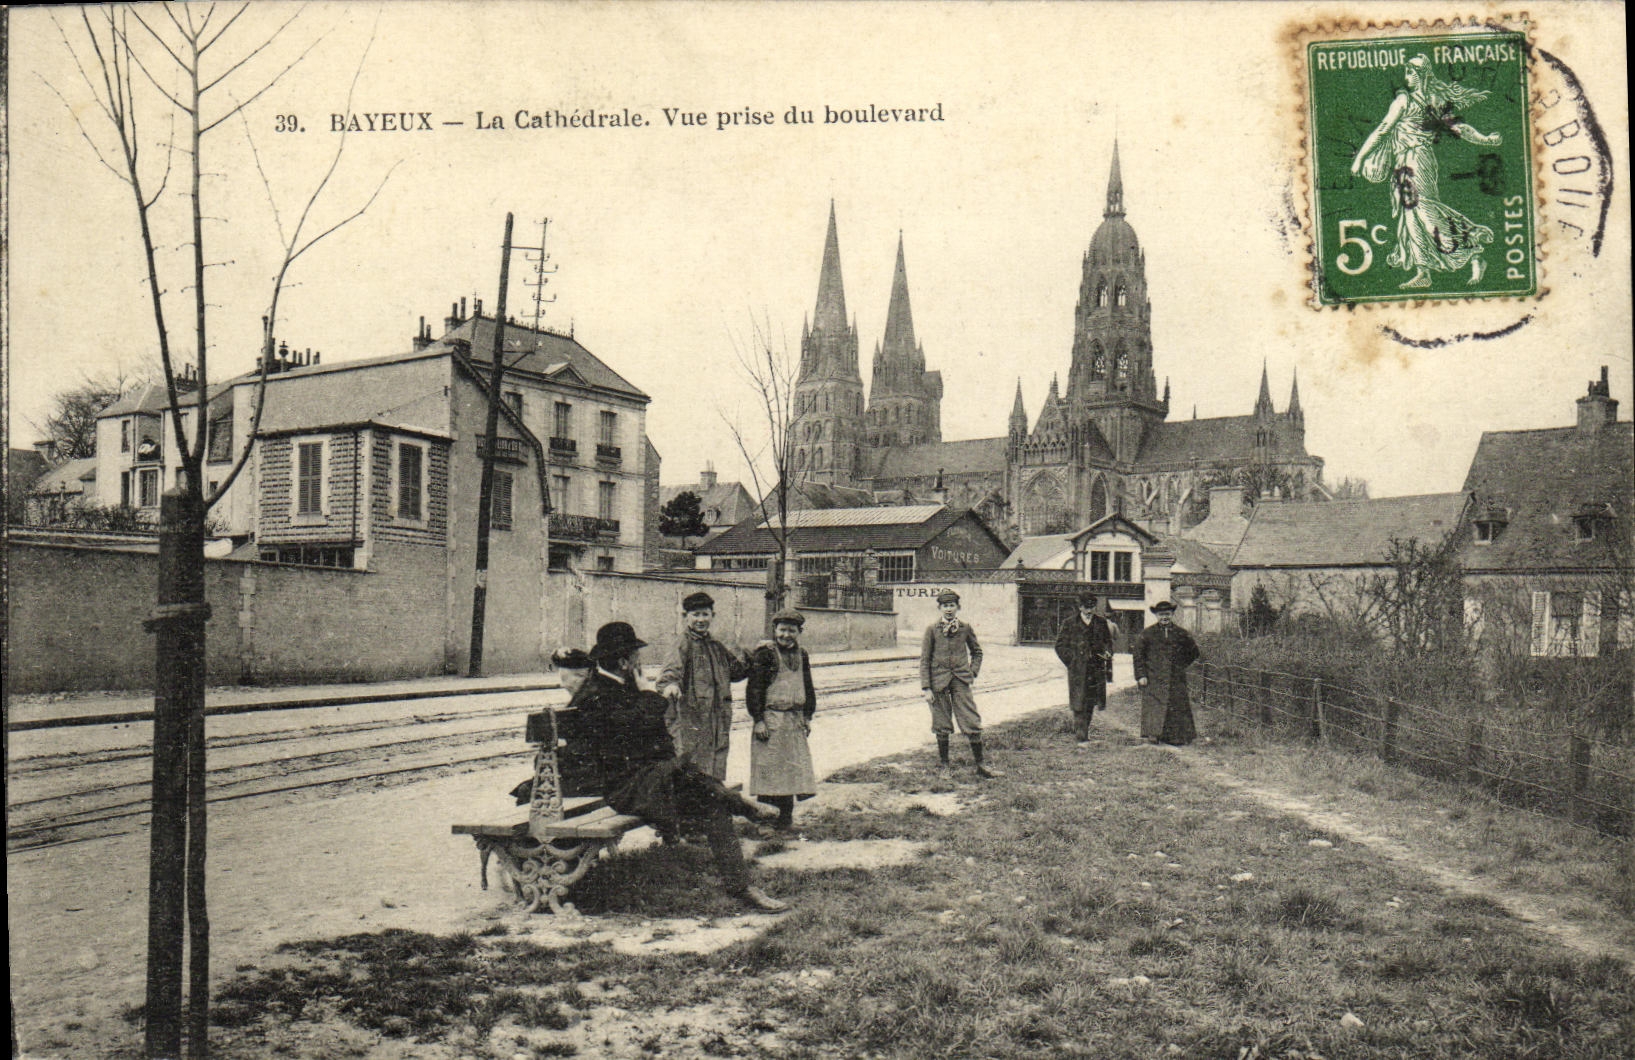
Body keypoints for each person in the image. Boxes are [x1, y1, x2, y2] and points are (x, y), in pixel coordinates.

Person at [577, 621, 788, 913]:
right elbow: (634, 731)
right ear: (624, 662)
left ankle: (742, 887)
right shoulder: (596, 695)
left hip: (650, 780)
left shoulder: (621, 688)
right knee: (688, 775)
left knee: (713, 804)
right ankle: (745, 807)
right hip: (623, 787)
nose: (639, 661)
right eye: (635, 655)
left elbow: (656, 737)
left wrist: (645, 704)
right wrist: (646, 694)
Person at [1350, 54, 1503, 289]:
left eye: (1410, 72)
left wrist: (1486, 140)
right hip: (1402, 164)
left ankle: (1473, 249)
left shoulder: (1419, 102)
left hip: (1418, 161)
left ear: (1421, 75)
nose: (1406, 77)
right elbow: (1383, 130)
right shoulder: (1408, 100)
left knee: (1424, 211)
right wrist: (1361, 159)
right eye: (1406, 72)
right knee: (1410, 216)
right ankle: (1424, 272)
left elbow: (1458, 127)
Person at [658, 591, 751, 782]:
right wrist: (671, 685)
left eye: (705, 614)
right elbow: (669, 674)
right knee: (692, 768)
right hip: (692, 720)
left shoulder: (716, 646)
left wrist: (755, 654)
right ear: (686, 617)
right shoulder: (681, 644)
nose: (701, 620)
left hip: (718, 718)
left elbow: (737, 672)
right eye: (696, 614)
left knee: (716, 764)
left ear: (712, 615)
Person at [745, 609, 818, 830]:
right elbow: (754, 689)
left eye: (791, 630)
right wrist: (758, 720)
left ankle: (784, 821)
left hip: (793, 721)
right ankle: (765, 823)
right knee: (768, 773)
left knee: (790, 774)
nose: (786, 635)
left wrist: (807, 715)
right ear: (774, 630)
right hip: (771, 721)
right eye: (782, 630)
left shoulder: (802, 655)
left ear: (799, 632)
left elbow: (807, 685)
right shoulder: (765, 654)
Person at [920, 590, 1001, 778]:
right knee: (941, 722)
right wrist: (926, 687)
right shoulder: (932, 630)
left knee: (970, 719)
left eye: (952, 605)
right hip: (938, 681)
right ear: (939, 608)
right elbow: (924, 659)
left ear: (958, 607)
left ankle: (981, 765)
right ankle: (945, 766)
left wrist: (972, 672)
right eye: (945, 606)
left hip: (960, 680)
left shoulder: (965, 628)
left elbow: (977, 652)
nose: (949, 609)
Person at [1133, 601, 1201, 746]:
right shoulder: (1147, 634)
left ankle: (1175, 737)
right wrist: (1141, 675)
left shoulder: (1181, 633)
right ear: (1156, 615)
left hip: (1175, 677)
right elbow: (1138, 656)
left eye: (1168, 614)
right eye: (1161, 614)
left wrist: (1180, 665)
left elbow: (1194, 652)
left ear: (1172, 615)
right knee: (1154, 706)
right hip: (1153, 677)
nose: (1165, 617)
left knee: (1175, 705)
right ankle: (1153, 734)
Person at [1054, 592, 1116, 746]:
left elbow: (1108, 642)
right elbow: (1059, 645)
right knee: (1078, 700)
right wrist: (1072, 661)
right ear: (1080, 607)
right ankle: (1081, 735)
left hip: (1096, 668)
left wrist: (1108, 652)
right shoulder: (1069, 623)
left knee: (1090, 700)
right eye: (1086, 607)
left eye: (1092, 607)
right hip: (1078, 669)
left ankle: (1084, 732)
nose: (1089, 611)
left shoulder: (1101, 623)